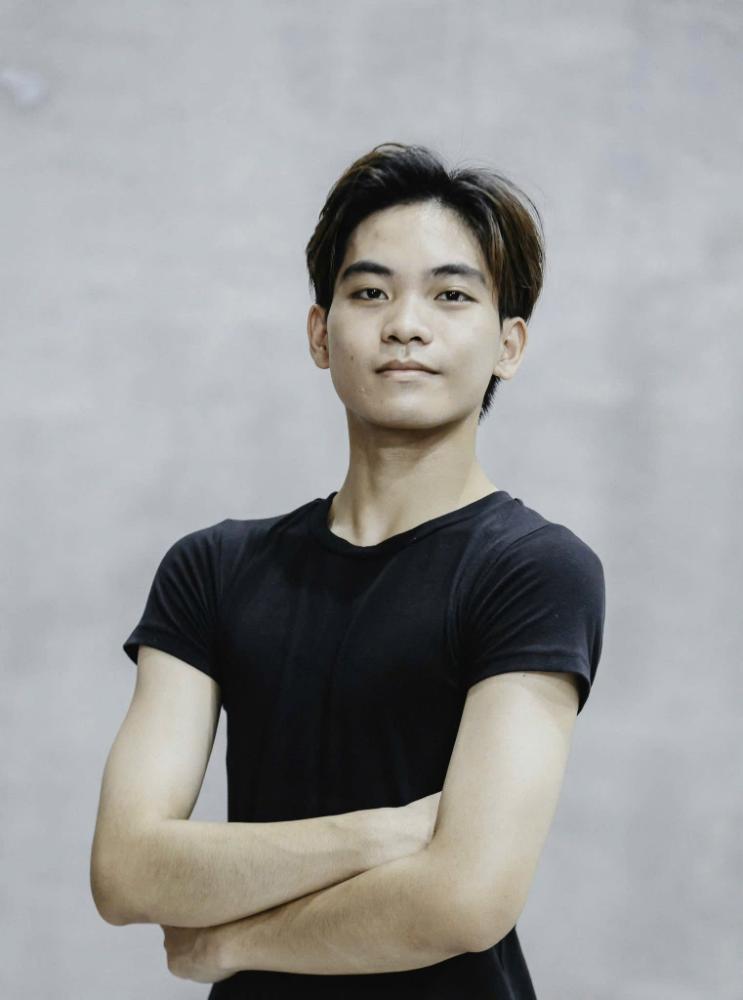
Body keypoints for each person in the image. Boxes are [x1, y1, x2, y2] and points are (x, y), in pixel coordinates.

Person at [90, 141, 606, 999]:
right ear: (319, 334)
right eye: (370, 292)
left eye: (450, 295)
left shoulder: (533, 570)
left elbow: (464, 901)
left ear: (508, 345)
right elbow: (125, 870)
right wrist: (386, 835)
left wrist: (234, 943)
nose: (405, 324)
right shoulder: (213, 569)